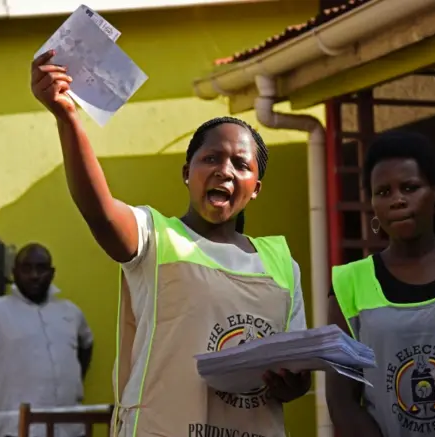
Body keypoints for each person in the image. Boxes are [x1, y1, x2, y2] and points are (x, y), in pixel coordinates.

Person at [30, 50, 310, 437]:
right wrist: (67, 116)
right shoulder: (154, 235)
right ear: (187, 172)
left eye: (241, 165)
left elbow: (297, 374)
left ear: (255, 188)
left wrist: (294, 383)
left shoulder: (282, 264)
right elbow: (99, 210)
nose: (224, 170)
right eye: (211, 157)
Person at [327, 131, 435, 437]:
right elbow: (341, 400)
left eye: (410, 188)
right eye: (383, 192)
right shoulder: (350, 282)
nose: (397, 200)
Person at [0, 243, 94, 437]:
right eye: (26, 268)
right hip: (14, 431)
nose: (34, 275)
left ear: (52, 272)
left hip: (70, 430)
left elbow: (86, 345)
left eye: (41, 268)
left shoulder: (70, 312)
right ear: (14, 273)